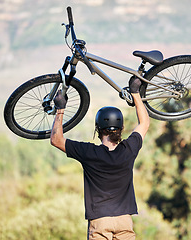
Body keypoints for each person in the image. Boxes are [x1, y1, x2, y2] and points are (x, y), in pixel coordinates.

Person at [50, 76, 150, 240]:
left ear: (98, 129)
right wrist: (135, 92)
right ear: (121, 129)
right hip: (125, 220)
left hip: (99, 220)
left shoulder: (88, 152)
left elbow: (56, 140)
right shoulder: (129, 149)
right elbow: (144, 123)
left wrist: (60, 108)